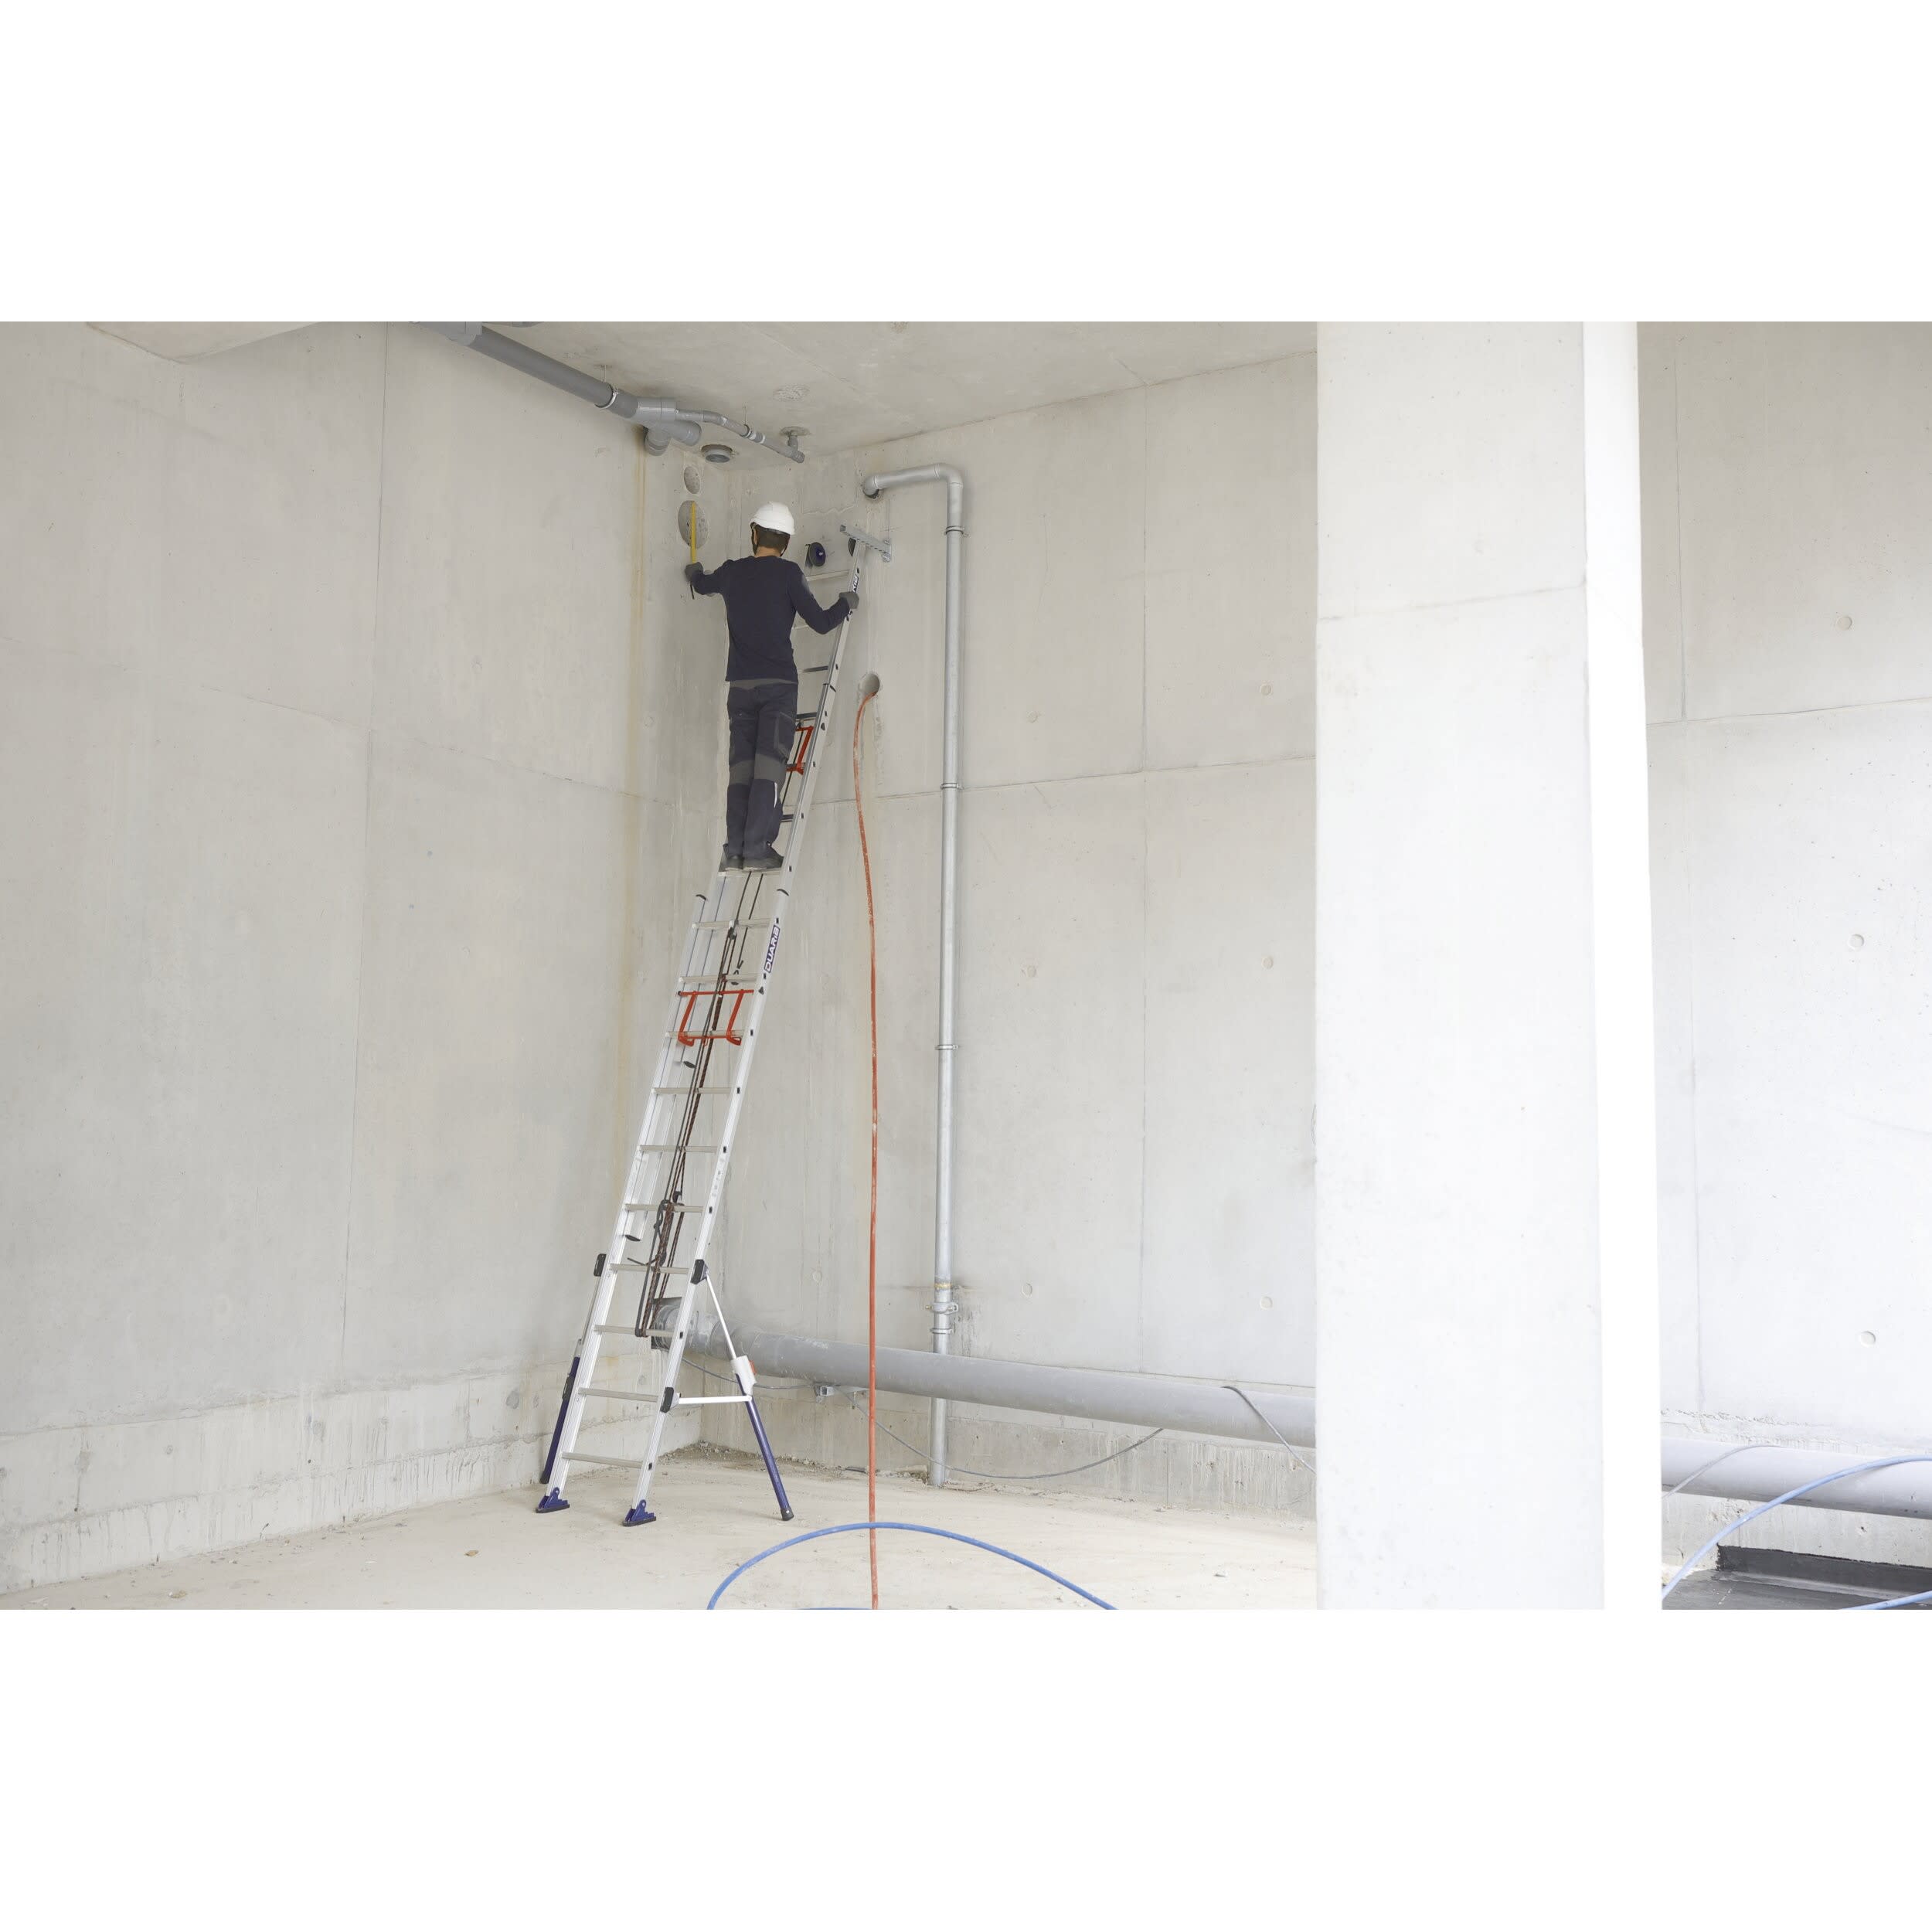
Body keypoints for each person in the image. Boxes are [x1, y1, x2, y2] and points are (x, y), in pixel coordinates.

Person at [685, 502, 857, 870]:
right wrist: (846, 603)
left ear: (754, 534)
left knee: (741, 771)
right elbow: (822, 623)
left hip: (741, 689)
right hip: (778, 688)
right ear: (786, 542)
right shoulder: (789, 574)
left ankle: (735, 850)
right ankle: (757, 848)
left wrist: (695, 572)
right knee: (768, 768)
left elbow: (702, 583)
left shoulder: (732, 573)